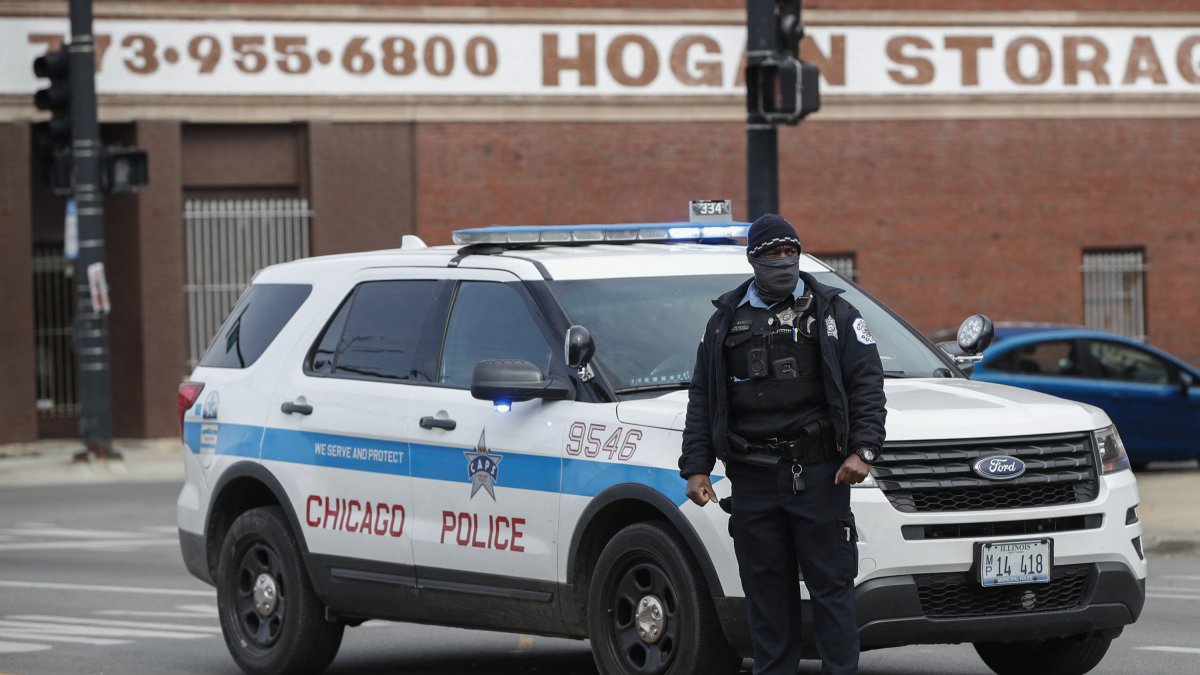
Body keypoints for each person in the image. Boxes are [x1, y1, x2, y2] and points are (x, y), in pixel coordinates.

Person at [679, 213, 886, 675]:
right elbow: (704, 395)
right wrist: (696, 466)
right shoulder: (724, 321)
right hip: (752, 478)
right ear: (753, 259)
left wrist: (864, 449)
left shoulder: (833, 313)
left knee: (832, 591)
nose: (783, 262)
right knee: (766, 595)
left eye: (790, 252)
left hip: (819, 473)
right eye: (772, 254)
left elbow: (867, 385)